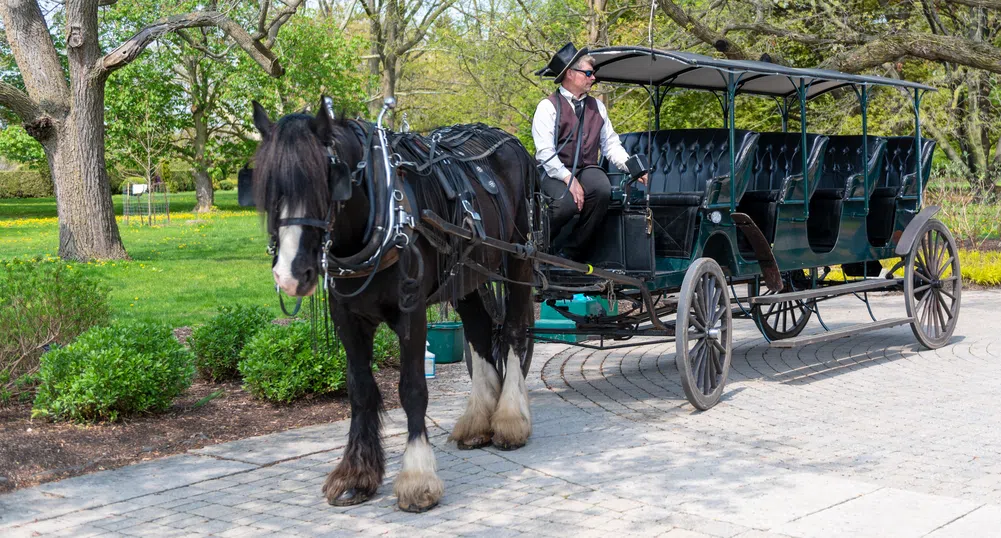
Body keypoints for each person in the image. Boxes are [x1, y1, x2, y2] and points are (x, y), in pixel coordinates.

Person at [533, 42, 647, 261]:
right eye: (588, 73)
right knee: (565, 203)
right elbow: (545, 153)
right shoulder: (547, 107)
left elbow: (611, 145)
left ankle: (572, 253)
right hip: (553, 171)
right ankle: (541, 249)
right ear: (569, 74)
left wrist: (633, 168)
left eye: (593, 73)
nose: (593, 78)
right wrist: (568, 179)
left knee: (602, 189)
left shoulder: (597, 107)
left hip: (586, 168)